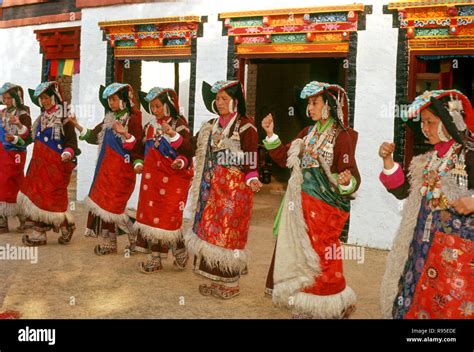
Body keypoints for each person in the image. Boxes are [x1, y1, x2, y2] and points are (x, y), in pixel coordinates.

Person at [261, 81, 360, 318]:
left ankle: (331, 303)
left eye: (315, 103)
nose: (310, 108)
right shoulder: (307, 133)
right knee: (301, 254)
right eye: (308, 103)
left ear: (328, 105)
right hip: (302, 206)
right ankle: (306, 302)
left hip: (326, 207)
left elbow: (351, 174)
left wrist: (346, 179)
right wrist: (270, 134)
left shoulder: (342, 135)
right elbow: (285, 156)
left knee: (323, 254)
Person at [379, 89, 474, 319]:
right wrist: (388, 161)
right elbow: (405, 192)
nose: (425, 128)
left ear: (450, 121)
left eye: (430, 122)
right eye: (423, 123)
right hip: (422, 246)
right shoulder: (430, 160)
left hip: (457, 253)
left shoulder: (469, 155)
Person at [185, 80, 261, 299]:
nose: (219, 103)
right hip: (211, 191)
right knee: (211, 236)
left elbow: (250, 157)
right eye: (217, 99)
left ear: (236, 101)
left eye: (224, 99)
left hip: (235, 191)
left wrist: (252, 176)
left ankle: (232, 283)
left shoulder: (246, 126)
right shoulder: (210, 125)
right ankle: (216, 281)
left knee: (230, 236)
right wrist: (174, 137)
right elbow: (191, 145)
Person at [67, 83, 144, 255]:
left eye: (114, 99)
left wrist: (125, 134)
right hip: (105, 170)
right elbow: (95, 136)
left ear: (124, 100)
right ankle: (110, 242)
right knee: (104, 206)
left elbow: (138, 145)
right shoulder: (109, 118)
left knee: (115, 207)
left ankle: (135, 237)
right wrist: (77, 126)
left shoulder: (133, 119)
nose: (111, 102)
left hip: (122, 171)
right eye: (109, 99)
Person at [134, 87, 194, 273]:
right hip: (152, 180)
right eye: (152, 107)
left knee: (168, 216)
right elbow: (139, 148)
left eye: (158, 106)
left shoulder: (179, 125)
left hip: (173, 178)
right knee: (152, 216)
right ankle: (155, 259)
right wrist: (138, 162)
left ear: (168, 105)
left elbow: (188, 151)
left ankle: (180, 251)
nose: (155, 110)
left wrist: (179, 161)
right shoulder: (150, 127)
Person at [18, 81, 79, 246]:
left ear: (55, 97)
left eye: (46, 97)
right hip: (38, 166)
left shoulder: (64, 118)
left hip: (55, 167)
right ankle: (40, 234)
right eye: (41, 99)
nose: (44, 101)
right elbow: (30, 138)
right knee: (37, 197)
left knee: (52, 199)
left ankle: (65, 226)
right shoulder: (41, 118)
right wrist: (18, 132)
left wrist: (67, 153)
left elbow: (72, 142)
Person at [0, 83, 32, 233]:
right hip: (2, 152)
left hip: (15, 153)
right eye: (4, 98)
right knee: (1, 182)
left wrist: (14, 138)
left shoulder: (23, 114)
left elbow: (27, 136)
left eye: (9, 98)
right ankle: (2, 218)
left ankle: (23, 215)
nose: (6, 101)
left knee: (14, 181)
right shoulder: (2, 113)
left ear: (16, 99)